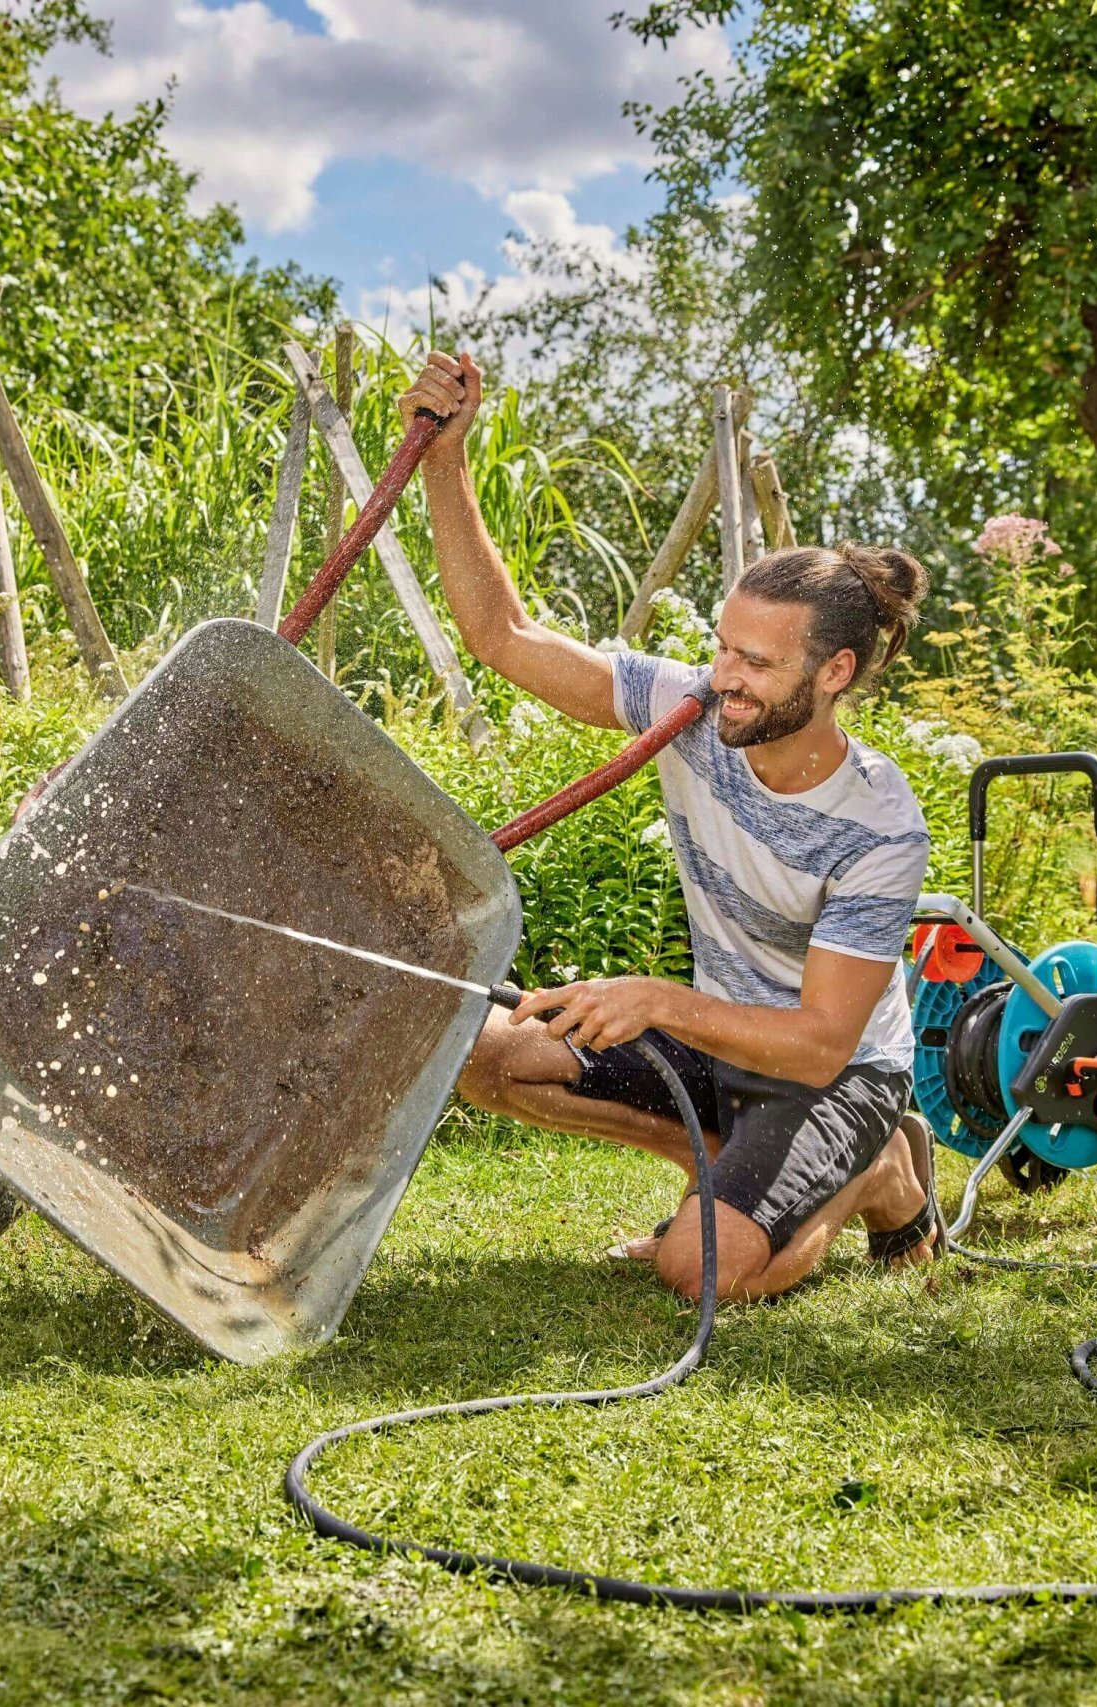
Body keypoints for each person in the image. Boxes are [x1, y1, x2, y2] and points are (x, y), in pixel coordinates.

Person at [402, 351, 941, 1303]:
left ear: (836, 675)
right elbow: (504, 638)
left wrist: (657, 999)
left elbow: (820, 1041)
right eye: (722, 646)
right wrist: (447, 461)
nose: (721, 677)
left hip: (833, 1076)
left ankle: (879, 1174)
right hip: (720, 1049)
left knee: (698, 1271)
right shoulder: (690, 706)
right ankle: (731, 1166)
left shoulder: (879, 826)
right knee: (485, 1052)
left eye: (756, 663)